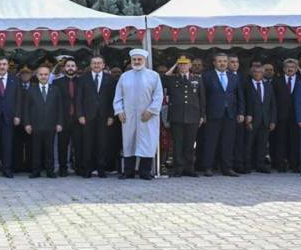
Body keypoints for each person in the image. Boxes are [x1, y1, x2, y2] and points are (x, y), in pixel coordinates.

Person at [113, 49, 163, 180]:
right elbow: (118, 96)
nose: (136, 62)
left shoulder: (154, 76)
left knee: (147, 143)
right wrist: (119, 111)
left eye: (139, 59)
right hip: (129, 116)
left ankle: (145, 172)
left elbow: (158, 96)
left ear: (144, 60)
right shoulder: (125, 76)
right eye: (134, 59)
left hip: (147, 116)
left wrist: (151, 111)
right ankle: (128, 172)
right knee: (129, 143)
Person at [201, 53, 245, 177]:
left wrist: (241, 112)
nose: (222, 63)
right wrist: (203, 113)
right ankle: (208, 167)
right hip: (212, 113)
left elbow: (239, 96)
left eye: (225, 61)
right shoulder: (207, 76)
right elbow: (203, 96)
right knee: (211, 141)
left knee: (228, 142)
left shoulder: (234, 77)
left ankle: (227, 168)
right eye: (220, 61)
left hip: (230, 114)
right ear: (214, 63)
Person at [163, 56, 206, 177]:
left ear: (190, 65)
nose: (183, 66)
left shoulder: (197, 79)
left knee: (190, 143)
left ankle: (189, 168)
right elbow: (164, 77)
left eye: (185, 64)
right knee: (178, 143)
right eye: (180, 64)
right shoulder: (173, 79)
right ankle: (179, 168)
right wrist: (174, 66)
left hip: (193, 116)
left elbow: (202, 98)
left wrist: (202, 115)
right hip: (177, 116)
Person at [77, 56, 116, 178]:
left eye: (99, 63)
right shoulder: (83, 79)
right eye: (94, 63)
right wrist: (80, 114)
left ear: (103, 65)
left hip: (104, 116)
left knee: (102, 143)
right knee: (87, 143)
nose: (97, 65)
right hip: (88, 116)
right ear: (90, 65)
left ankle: (101, 169)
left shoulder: (110, 79)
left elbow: (113, 99)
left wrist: (111, 116)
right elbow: (78, 99)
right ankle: (87, 169)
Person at [23, 66, 63, 178]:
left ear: (49, 75)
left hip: (51, 124)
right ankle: (36, 171)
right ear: (37, 75)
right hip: (35, 124)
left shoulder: (55, 89)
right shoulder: (31, 90)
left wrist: (60, 123)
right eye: (41, 74)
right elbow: (26, 108)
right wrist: (27, 123)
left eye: (46, 74)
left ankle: (50, 171)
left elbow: (60, 108)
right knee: (36, 149)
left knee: (49, 149)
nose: (43, 76)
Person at [242, 66, 276, 173]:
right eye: (255, 72)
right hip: (251, 119)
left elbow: (272, 105)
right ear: (251, 73)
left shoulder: (268, 86)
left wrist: (273, 120)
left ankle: (260, 165)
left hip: (265, 120)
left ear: (263, 73)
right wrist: (247, 117)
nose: (257, 74)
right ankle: (247, 164)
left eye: (260, 72)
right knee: (248, 144)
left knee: (262, 144)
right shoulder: (246, 86)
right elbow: (244, 102)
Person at [272, 58, 299, 172]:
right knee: (280, 141)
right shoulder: (276, 81)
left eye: (292, 67)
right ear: (284, 69)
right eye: (288, 67)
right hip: (281, 116)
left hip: (296, 117)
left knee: (295, 141)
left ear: (296, 69)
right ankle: (281, 164)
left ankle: (295, 164)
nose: (290, 69)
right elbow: (272, 101)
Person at [53, 58, 79, 177]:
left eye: (72, 66)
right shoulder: (57, 83)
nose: (70, 68)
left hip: (79, 118)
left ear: (76, 68)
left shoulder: (82, 81)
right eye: (68, 66)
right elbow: (55, 103)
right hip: (63, 119)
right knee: (62, 145)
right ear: (64, 68)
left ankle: (79, 167)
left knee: (79, 144)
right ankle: (63, 167)